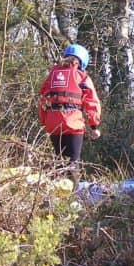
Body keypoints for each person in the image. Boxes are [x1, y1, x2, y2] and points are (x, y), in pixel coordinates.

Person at [38, 43, 102, 184]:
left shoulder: (52, 75)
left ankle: (56, 194)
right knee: (73, 161)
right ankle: (72, 197)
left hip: (52, 123)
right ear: (82, 61)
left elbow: (42, 98)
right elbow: (92, 101)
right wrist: (94, 126)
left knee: (59, 160)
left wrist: (44, 121)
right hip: (73, 123)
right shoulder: (81, 76)